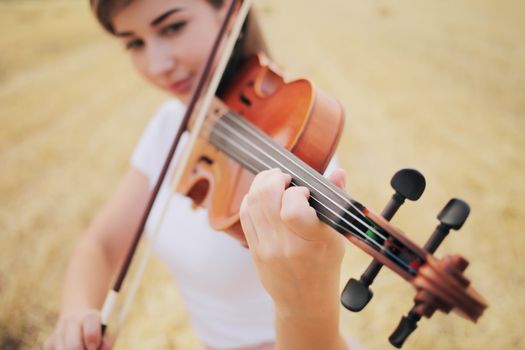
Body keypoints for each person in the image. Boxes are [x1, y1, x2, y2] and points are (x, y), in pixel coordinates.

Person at [44, 1, 358, 349]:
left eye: (173, 27)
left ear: (230, 11)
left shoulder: (301, 146)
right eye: (134, 43)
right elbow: (100, 245)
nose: (157, 65)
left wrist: (304, 306)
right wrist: (75, 315)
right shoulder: (169, 123)